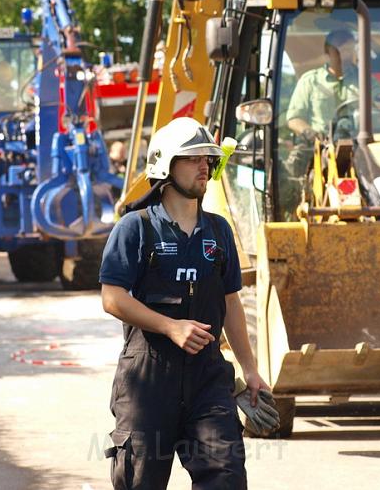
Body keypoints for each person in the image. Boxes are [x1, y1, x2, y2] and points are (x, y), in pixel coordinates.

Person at [100, 117, 273, 489]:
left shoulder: (219, 231)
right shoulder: (136, 227)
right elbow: (112, 298)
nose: (204, 166)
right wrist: (170, 326)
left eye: (208, 158)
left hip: (208, 377)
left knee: (226, 477)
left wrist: (250, 368)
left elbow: (231, 302)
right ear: (165, 165)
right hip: (147, 378)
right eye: (193, 158)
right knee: (138, 482)